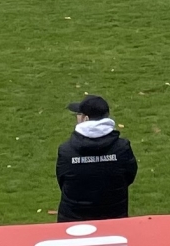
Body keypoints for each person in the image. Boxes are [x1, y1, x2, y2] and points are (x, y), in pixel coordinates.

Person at [56, 95, 137, 223]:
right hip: (114, 220)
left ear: (85, 118)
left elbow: (63, 180)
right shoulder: (122, 148)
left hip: (73, 222)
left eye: (79, 114)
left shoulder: (66, 151)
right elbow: (129, 176)